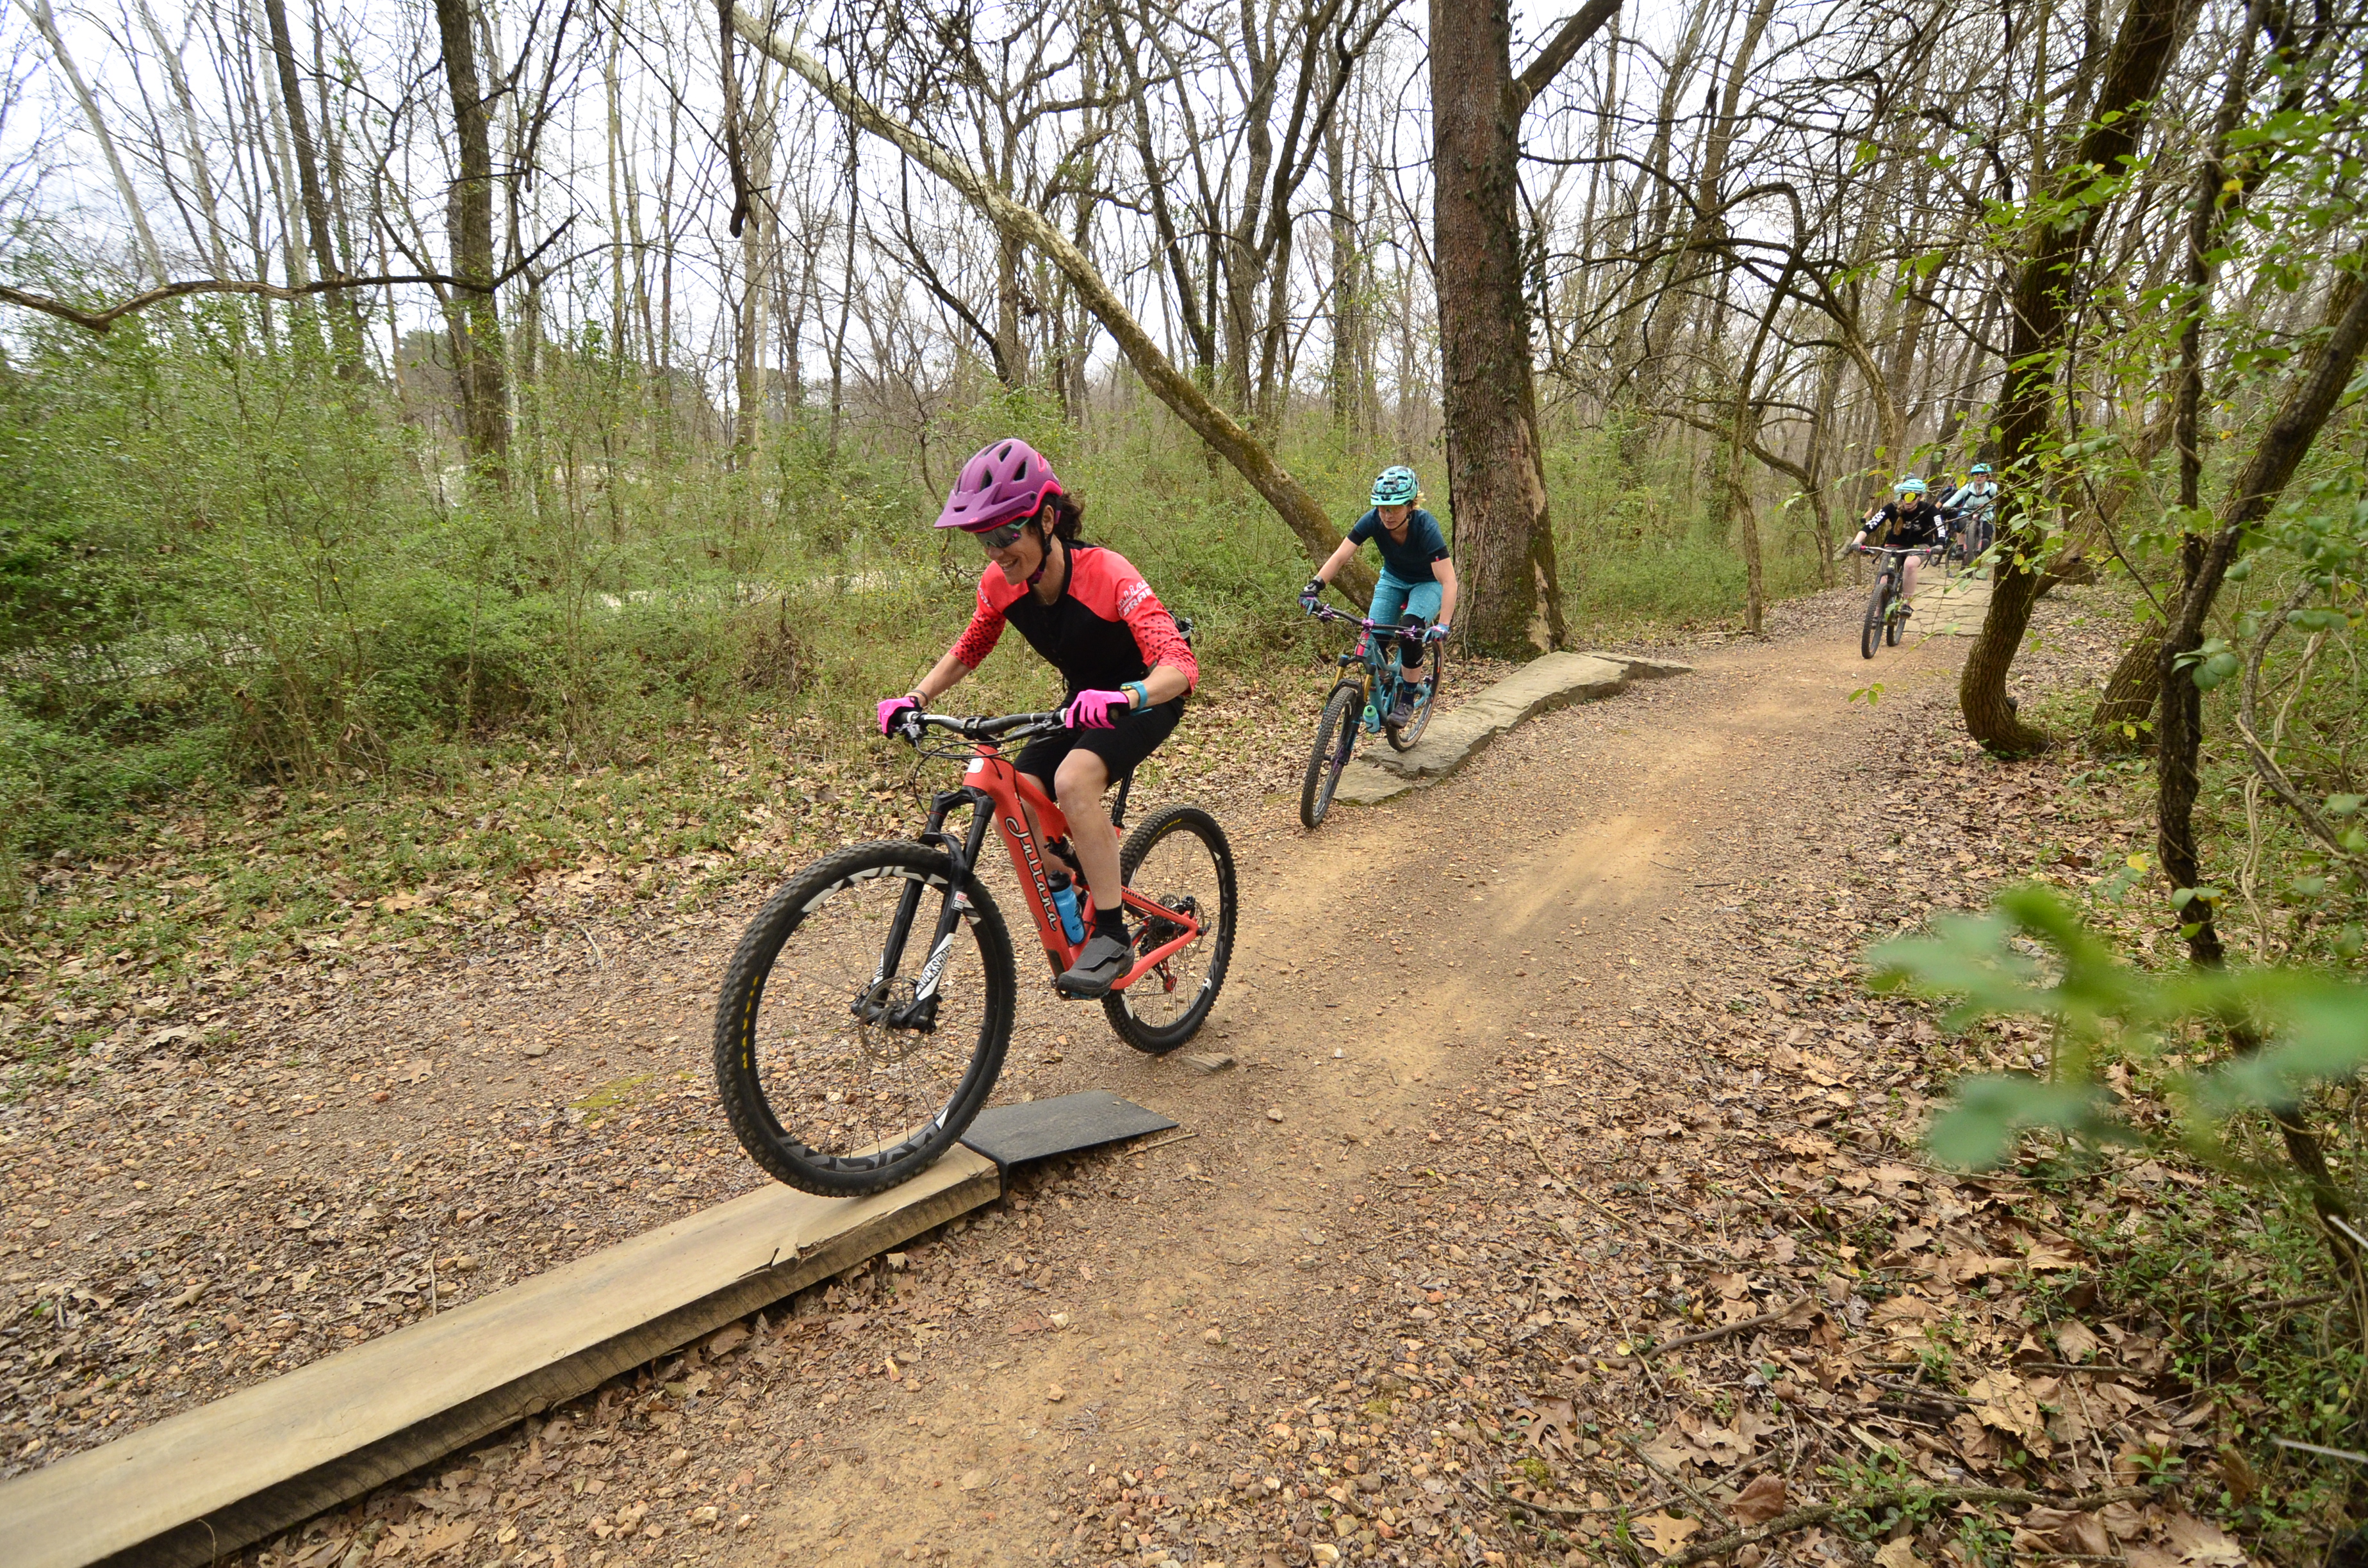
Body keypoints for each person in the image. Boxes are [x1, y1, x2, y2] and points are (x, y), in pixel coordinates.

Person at [877, 438, 1199, 999]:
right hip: (1082, 700)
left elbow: (1180, 666)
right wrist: (917, 697)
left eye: (1007, 535)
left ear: (1046, 520)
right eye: (984, 539)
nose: (997, 551)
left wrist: (1127, 697)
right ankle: (1070, 881)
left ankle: (1112, 930)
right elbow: (971, 646)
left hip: (1146, 696)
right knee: (1019, 791)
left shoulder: (1107, 572)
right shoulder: (1000, 585)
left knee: (1074, 780)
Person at [1301, 466, 1459, 728]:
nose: (1386, 515)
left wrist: (1443, 623)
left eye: (1394, 508)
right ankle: (1384, 681)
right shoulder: (1373, 520)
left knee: (1410, 631)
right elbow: (1340, 556)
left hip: (1428, 582)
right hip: (1392, 580)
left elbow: (1448, 580)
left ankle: (1407, 697)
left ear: (1410, 506)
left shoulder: (1426, 527)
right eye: (1381, 508)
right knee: (1373, 638)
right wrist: (1314, 586)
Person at [1847, 477, 1950, 610]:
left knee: (1910, 565)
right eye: (1904, 496)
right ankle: (1877, 613)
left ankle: (1906, 604)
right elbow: (1871, 525)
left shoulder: (1928, 509)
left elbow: (1940, 527)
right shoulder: (1892, 508)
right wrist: (1857, 541)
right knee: (1884, 578)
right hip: (1894, 545)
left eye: (1912, 497)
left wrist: (1940, 544)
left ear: (1920, 497)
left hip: (1919, 546)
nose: (1908, 501)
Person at [1941, 463, 2003, 558]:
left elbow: (2001, 497)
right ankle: (1960, 547)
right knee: (1959, 523)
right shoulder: (1967, 488)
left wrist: (1996, 504)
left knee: (1986, 539)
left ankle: (1979, 558)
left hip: (1986, 515)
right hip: (1967, 512)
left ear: (1987, 476)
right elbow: (1954, 499)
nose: (1979, 477)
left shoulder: (1993, 488)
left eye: (1982, 474)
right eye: (1976, 474)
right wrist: (1946, 506)